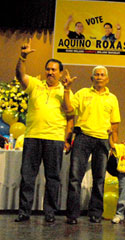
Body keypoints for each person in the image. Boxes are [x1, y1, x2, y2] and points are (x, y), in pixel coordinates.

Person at [15, 39, 73, 223]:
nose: (50, 72)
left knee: (53, 178)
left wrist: (66, 90)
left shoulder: (66, 91)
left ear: (60, 72)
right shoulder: (35, 84)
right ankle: (24, 212)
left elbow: (69, 112)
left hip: (54, 139)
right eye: (48, 69)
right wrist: (23, 58)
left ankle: (50, 213)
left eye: (54, 69)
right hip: (32, 137)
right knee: (27, 176)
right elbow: (19, 75)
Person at [63, 65, 121, 225]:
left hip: (102, 140)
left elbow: (115, 125)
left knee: (99, 179)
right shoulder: (82, 93)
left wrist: (113, 145)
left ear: (107, 79)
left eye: (102, 75)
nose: (99, 77)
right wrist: (67, 90)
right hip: (82, 138)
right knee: (75, 178)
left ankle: (95, 213)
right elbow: (68, 109)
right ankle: (72, 215)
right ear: (92, 78)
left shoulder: (113, 98)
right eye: (97, 74)